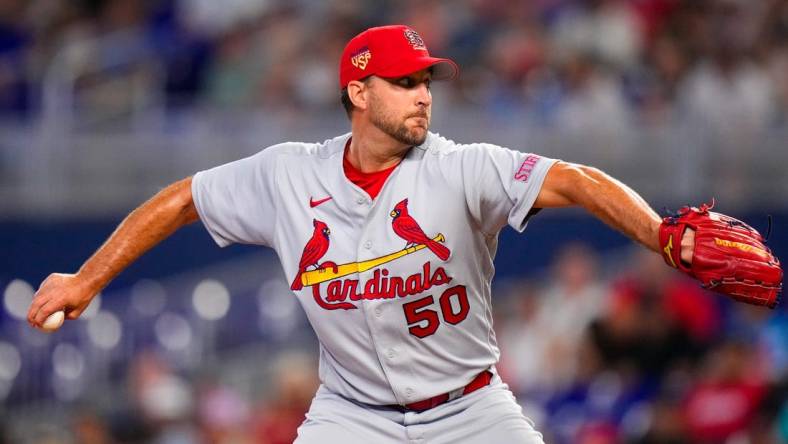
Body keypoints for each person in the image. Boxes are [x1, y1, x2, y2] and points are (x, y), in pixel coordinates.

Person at [27, 25, 773, 443]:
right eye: (405, 81)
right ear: (358, 92)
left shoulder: (463, 168)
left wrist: (655, 233)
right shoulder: (289, 175)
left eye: (426, 81)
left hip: (472, 410)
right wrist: (87, 279)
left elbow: (574, 178)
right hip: (350, 418)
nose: (423, 95)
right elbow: (182, 199)